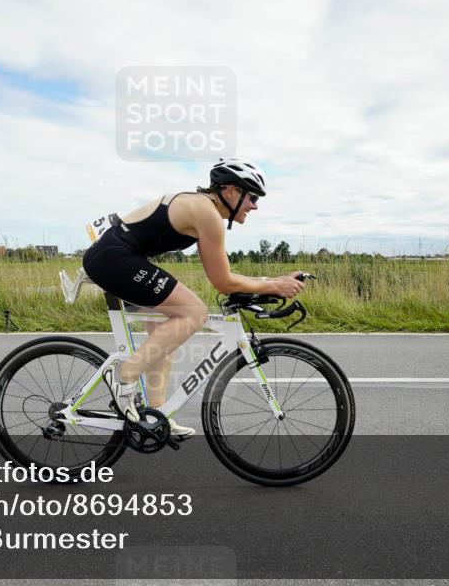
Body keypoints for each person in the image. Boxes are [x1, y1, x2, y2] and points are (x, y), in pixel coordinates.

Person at [81, 158, 305, 439]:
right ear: (231, 191)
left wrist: (275, 282)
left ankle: (155, 415)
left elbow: (225, 275)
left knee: (165, 333)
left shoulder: (203, 207)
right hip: (114, 258)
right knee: (193, 312)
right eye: (252, 197)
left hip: (116, 256)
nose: (255, 205)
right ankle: (124, 375)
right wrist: (274, 286)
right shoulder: (207, 215)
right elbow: (223, 282)